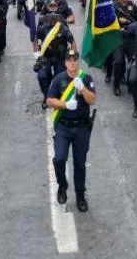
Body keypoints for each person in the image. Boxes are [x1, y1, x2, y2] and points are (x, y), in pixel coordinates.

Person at [46, 50, 96, 212]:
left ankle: (80, 194)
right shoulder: (59, 79)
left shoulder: (85, 79)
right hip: (63, 126)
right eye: (69, 60)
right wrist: (65, 105)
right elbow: (49, 100)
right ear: (65, 62)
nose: (72, 63)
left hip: (81, 126)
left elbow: (92, 100)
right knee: (59, 159)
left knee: (80, 163)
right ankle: (62, 185)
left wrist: (83, 89)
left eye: (75, 60)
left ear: (78, 62)